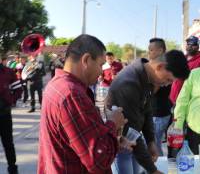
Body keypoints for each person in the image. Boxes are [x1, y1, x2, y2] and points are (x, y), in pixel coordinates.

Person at [37, 34, 131, 174]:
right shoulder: (72, 94)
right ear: (86, 60)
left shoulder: (57, 85)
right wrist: (113, 123)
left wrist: (113, 140)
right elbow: (99, 161)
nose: (101, 72)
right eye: (100, 65)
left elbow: (82, 141)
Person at [105, 50, 190, 174]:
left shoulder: (148, 77)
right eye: (168, 80)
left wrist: (151, 141)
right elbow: (130, 128)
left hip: (133, 139)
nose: (167, 85)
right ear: (160, 67)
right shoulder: (129, 84)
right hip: (121, 142)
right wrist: (153, 170)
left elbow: (147, 110)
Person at [148, 38, 173, 156]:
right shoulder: (167, 65)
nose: (149, 52)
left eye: (152, 50)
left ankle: (158, 167)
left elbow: (152, 91)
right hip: (162, 110)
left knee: (154, 144)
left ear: (161, 50)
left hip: (158, 113)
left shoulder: (162, 67)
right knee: (156, 142)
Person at [169, 35, 200, 104]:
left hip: (186, 100)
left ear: (198, 47)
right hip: (174, 97)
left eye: (193, 44)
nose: (190, 46)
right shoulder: (182, 58)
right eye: (188, 44)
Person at [0, 54, 22, 174]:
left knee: (8, 143)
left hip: (5, 115)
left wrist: (10, 101)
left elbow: (18, 89)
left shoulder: (8, 72)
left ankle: (13, 169)